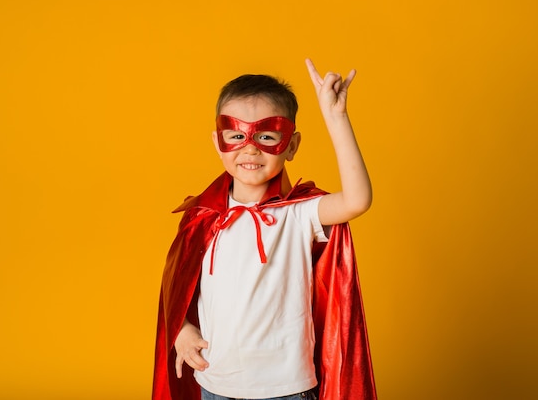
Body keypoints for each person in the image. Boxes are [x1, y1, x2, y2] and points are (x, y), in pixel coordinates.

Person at [152, 59, 377, 400]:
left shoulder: (300, 215)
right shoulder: (203, 217)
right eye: (237, 135)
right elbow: (176, 286)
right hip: (214, 383)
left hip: (285, 390)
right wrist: (181, 330)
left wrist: (336, 117)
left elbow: (357, 200)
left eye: (267, 136)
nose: (250, 147)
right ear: (218, 141)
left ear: (291, 145)